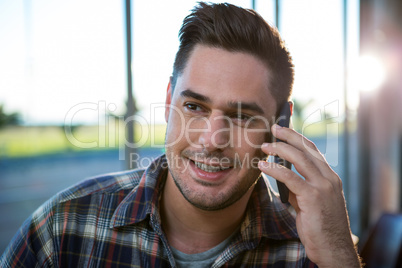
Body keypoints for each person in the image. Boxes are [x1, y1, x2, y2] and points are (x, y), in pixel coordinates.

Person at [1, 2, 362, 267]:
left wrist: (339, 256)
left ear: (280, 122)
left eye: (241, 116)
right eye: (194, 108)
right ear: (170, 100)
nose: (211, 139)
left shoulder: (313, 251)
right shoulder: (63, 230)